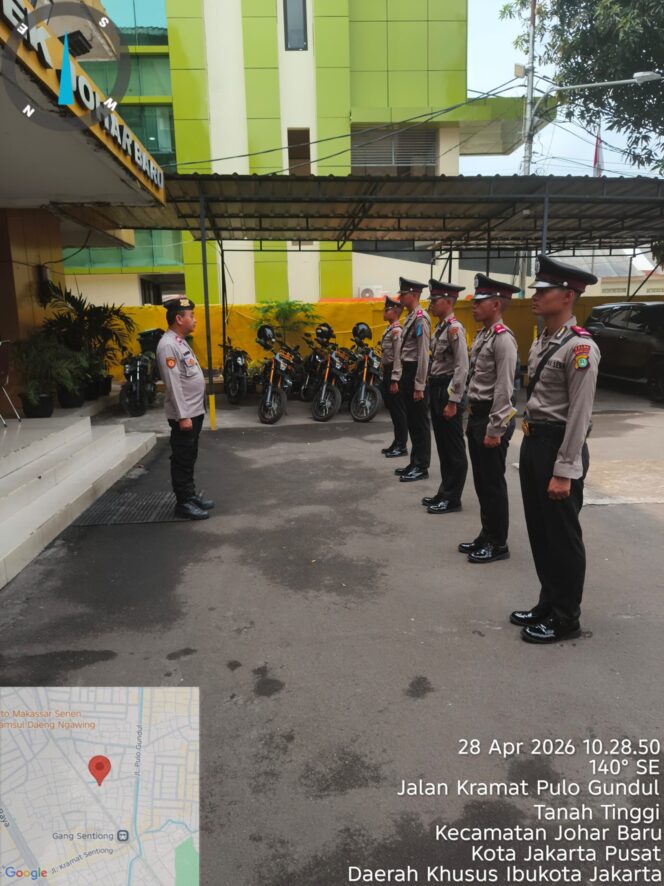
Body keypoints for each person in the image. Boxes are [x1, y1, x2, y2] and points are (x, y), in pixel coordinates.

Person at [511, 255, 600, 644]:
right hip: (535, 442)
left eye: (544, 290)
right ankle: (548, 602)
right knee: (541, 532)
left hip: (559, 447)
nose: (536, 295)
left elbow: (579, 415)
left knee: (563, 537)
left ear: (568, 295)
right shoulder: (544, 340)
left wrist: (565, 470)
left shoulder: (580, 348)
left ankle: (566, 616)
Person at [459, 274, 519, 563]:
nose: (474, 306)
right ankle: (487, 533)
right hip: (478, 415)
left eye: (480, 301)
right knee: (482, 482)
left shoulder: (504, 340)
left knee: (493, 483)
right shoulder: (484, 335)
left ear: (496, 304)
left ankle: (498, 542)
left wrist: (495, 429)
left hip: (492, 419)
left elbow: (505, 389)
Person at [155, 295, 213, 521]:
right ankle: (184, 503)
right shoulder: (168, 346)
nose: (195, 320)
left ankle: (190, 495)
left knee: (189, 455)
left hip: (192, 411)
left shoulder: (179, 341)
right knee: (182, 457)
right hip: (185, 414)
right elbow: (173, 384)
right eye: (191, 316)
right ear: (179, 319)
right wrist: (183, 416)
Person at [421, 279, 469, 514]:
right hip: (437, 388)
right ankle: (444, 491)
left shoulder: (454, 329)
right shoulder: (440, 327)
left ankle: (453, 498)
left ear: (449, 301)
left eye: (435, 300)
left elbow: (462, 366)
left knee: (453, 448)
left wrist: (454, 400)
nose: (431, 304)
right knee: (443, 446)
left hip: (448, 391)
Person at [393, 277, 431, 483]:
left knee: (420, 422)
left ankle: (421, 465)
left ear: (414, 295)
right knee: (412, 421)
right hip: (408, 371)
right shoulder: (410, 318)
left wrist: (420, 385)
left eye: (404, 294)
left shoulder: (420, 318)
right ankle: (414, 461)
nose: (401, 297)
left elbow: (423, 354)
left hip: (416, 370)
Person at [379, 294, 408, 458]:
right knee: (393, 411)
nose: (384, 311)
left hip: (394, 372)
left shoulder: (397, 331)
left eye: (387, 309)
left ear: (396, 311)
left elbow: (398, 356)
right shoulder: (389, 329)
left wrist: (395, 379)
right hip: (388, 370)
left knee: (399, 411)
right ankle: (397, 442)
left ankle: (401, 445)